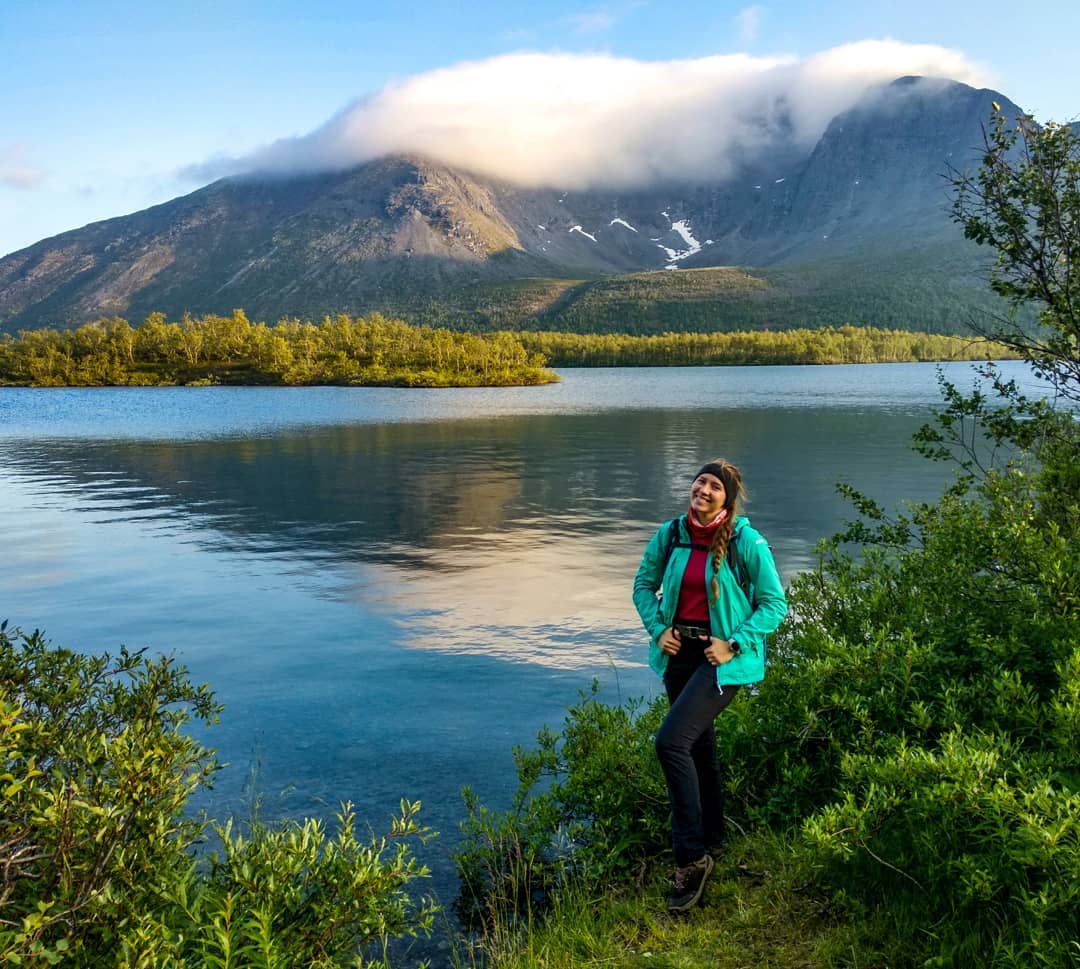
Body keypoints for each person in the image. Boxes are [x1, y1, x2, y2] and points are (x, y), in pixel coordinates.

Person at [632, 459, 787, 912]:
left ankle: (691, 858)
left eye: (714, 486)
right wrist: (657, 627)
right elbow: (643, 585)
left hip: (720, 663)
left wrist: (735, 644)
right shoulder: (673, 533)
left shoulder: (746, 541)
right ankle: (714, 837)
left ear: (728, 499)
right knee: (698, 746)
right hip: (678, 655)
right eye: (701, 481)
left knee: (670, 743)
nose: (703, 489)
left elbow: (774, 604)